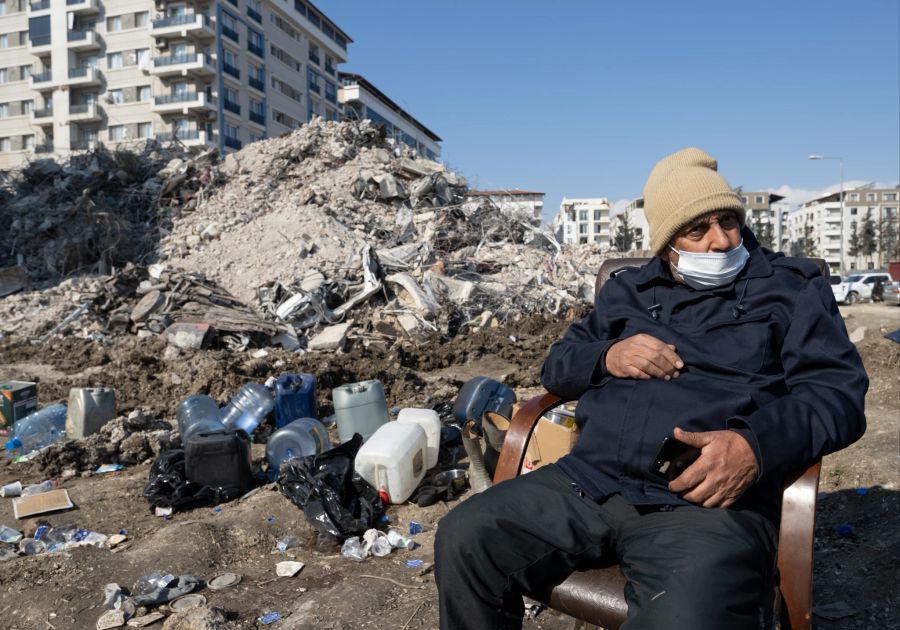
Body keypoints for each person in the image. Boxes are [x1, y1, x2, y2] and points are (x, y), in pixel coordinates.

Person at [434, 147, 868, 630]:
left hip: (704, 505)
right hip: (590, 482)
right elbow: (557, 366)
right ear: (665, 242)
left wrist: (753, 446)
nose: (721, 241)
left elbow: (837, 394)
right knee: (465, 534)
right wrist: (607, 356)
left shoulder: (790, 288)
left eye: (729, 221)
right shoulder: (628, 291)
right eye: (697, 229)